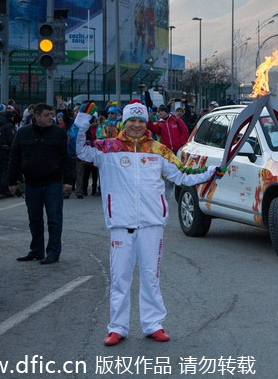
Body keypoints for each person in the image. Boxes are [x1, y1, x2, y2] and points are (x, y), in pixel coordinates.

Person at [71, 101, 219, 346]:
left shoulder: (158, 150)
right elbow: (76, 150)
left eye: (141, 121)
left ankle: (153, 325)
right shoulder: (108, 148)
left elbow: (183, 174)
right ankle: (117, 327)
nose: (137, 125)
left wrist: (213, 171)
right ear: (124, 122)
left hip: (151, 224)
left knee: (151, 276)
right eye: (132, 121)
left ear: (146, 122)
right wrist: (81, 121)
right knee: (120, 277)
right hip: (120, 223)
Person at [8, 103, 75, 264]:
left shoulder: (58, 133)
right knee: (34, 219)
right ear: (36, 116)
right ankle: (36, 250)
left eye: (52, 114)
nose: (51, 118)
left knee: (54, 219)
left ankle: (53, 252)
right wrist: (11, 181)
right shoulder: (23, 133)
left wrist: (69, 180)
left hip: (52, 182)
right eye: (47, 115)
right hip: (31, 183)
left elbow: (67, 158)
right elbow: (14, 158)